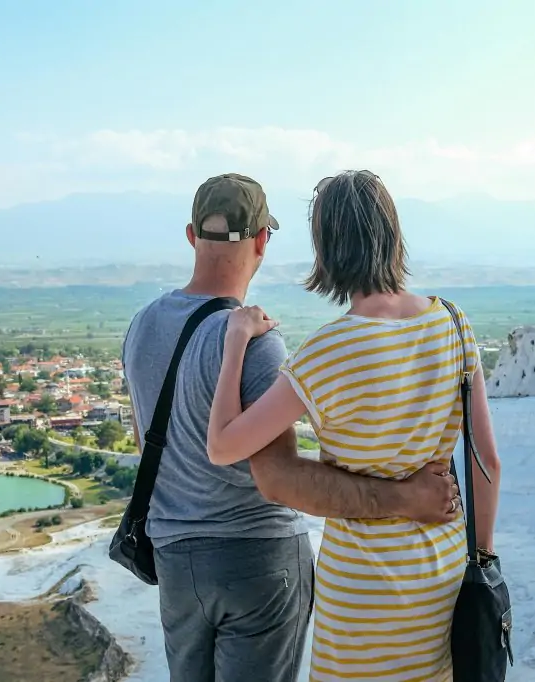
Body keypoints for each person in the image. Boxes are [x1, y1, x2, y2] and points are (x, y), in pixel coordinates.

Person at [121, 172, 462, 682]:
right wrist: (403, 499)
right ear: (262, 241)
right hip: (257, 556)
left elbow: (143, 437)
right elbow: (277, 476)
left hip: (175, 560)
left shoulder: (141, 325)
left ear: (191, 236)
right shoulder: (259, 340)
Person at [207, 170, 502, 681]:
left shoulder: (329, 350)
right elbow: (486, 461)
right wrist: (483, 558)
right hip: (444, 569)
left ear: (327, 248)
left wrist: (236, 342)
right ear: (391, 234)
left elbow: (223, 446)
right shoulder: (454, 323)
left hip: (363, 585)